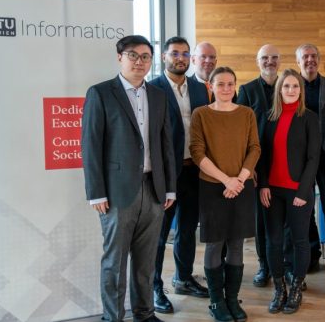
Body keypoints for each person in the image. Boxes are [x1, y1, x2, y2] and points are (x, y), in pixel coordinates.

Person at [81, 35, 176, 322]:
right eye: (133, 55)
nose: (139, 61)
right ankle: (113, 317)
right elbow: (91, 145)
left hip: (154, 189)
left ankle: (145, 314)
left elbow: (165, 145)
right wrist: (96, 192)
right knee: (115, 262)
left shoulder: (158, 95)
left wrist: (169, 188)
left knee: (146, 262)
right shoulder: (100, 93)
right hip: (116, 193)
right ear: (119, 57)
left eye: (145, 56)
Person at [190, 66, 261, 322]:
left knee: (236, 243)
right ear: (211, 86)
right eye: (220, 84)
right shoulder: (200, 114)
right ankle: (216, 302)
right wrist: (226, 181)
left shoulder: (247, 113)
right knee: (215, 242)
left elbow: (255, 148)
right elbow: (197, 152)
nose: (226, 88)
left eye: (231, 84)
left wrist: (239, 179)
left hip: (242, 186)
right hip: (213, 187)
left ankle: (232, 299)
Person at [149, 37, 210, 314]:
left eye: (186, 54)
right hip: (165, 174)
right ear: (164, 57)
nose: (181, 58)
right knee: (160, 235)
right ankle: (154, 287)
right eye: (175, 53)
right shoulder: (152, 89)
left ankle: (183, 278)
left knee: (187, 230)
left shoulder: (200, 89)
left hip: (194, 171)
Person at [258, 69, 321, 314]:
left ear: (301, 90)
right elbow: (261, 155)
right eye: (286, 86)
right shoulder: (268, 117)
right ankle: (279, 288)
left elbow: (313, 158)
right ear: (279, 89)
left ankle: (296, 286)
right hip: (271, 191)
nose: (291, 90)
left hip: (298, 192)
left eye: (295, 86)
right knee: (273, 241)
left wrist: (304, 192)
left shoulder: (310, 118)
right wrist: (263, 184)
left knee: (299, 241)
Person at [237, 44, 280, 287]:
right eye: (265, 58)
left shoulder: (288, 87)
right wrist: (248, 165)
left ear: (280, 61)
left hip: (285, 164)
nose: (270, 61)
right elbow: (240, 130)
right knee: (262, 219)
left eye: (274, 58)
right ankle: (264, 266)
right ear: (258, 61)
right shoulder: (247, 90)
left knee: (283, 220)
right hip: (258, 165)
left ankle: (282, 265)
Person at [295, 43, 325, 273]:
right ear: (298, 61)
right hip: (301, 160)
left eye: (314, 56)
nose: (310, 60)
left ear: (319, 59)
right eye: (305, 57)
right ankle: (311, 254)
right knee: (304, 208)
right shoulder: (291, 87)